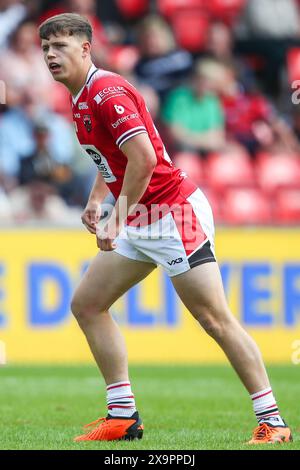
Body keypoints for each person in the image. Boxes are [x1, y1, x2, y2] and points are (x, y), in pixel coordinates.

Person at [38, 13, 292, 444]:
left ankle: (273, 421)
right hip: (141, 214)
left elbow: (145, 160)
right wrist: (97, 200)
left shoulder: (106, 92)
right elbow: (113, 158)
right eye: (45, 48)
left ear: (85, 49)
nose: (49, 55)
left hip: (175, 213)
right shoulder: (81, 98)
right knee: (88, 305)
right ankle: (122, 416)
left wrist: (115, 217)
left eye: (59, 46)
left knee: (214, 318)